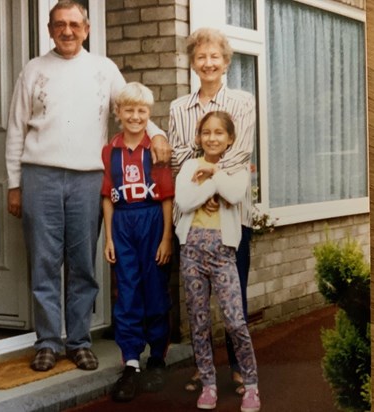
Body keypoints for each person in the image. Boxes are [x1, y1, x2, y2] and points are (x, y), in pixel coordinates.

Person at [5, 0, 171, 372]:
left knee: (82, 263)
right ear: (50, 30)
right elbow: (16, 129)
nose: (67, 31)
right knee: (45, 261)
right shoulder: (33, 70)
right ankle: (48, 341)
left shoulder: (103, 68)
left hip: (88, 178)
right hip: (40, 175)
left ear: (87, 28)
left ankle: (78, 341)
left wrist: (156, 135)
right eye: (60, 24)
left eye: (75, 24)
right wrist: (14, 184)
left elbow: (132, 108)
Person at [168, 27, 256, 394]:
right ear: (192, 63)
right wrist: (205, 181)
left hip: (232, 213)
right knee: (198, 302)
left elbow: (240, 152)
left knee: (236, 298)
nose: (208, 63)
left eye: (214, 57)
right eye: (200, 57)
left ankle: (238, 368)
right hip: (194, 217)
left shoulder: (243, 101)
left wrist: (209, 173)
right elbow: (178, 157)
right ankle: (204, 371)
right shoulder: (178, 107)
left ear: (226, 62)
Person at [175, 110, 260, 412]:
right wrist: (212, 187)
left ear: (230, 138)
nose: (212, 138)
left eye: (219, 133)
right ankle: (208, 383)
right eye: (206, 132)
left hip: (223, 252)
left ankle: (251, 385)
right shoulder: (188, 165)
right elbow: (183, 201)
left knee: (236, 321)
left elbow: (235, 194)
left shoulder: (236, 169)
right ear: (199, 137)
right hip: (192, 250)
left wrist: (212, 176)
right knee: (199, 323)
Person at [101, 82, 174, 402]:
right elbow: (106, 196)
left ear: (149, 114)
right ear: (118, 113)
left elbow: (167, 198)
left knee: (155, 289)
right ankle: (131, 361)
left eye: (141, 111)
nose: (134, 116)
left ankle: (157, 356)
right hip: (123, 223)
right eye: (128, 110)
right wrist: (109, 237)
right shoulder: (110, 150)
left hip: (152, 221)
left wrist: (166, 238)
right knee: (127, 291)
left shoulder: (155, 149)